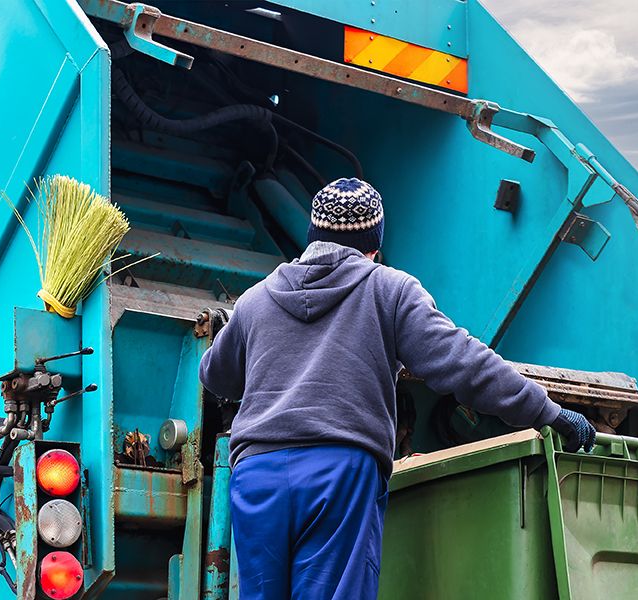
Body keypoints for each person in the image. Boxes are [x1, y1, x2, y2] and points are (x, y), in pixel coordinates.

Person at [198, 177, 596, 599]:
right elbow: (465, 363)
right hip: (337, 472)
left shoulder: (256, 300)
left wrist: (248, 334)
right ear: (374, 246)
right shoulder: (389, 289)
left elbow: (215, 376)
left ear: (311, 236)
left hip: (257, 475)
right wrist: (548, 412)